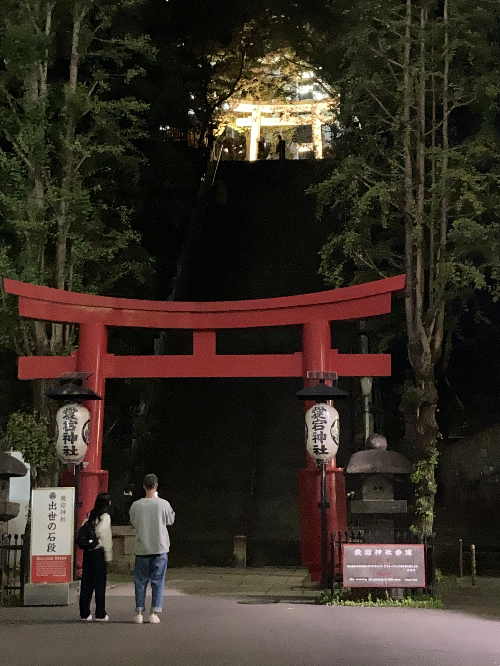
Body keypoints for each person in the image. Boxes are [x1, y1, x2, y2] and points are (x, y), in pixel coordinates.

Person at [129, 474, 175, 624]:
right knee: (158, 581)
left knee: (140, 581)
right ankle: (154, 612)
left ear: (144, 486)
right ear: (156, 485)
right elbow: (170, 520)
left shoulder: (136, 505)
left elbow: (133, 522)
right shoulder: (163, 504)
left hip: (142, 548)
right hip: (160, 547)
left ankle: (139, 612)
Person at [79, 492, 113, 622]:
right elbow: (105, 536)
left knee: (86, 583)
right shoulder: (105, 517)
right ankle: (100, 613)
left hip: (88, 552)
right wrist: (108, 555)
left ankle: (84, 613)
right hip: (99, 553)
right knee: (99, 584)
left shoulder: (90, 515)